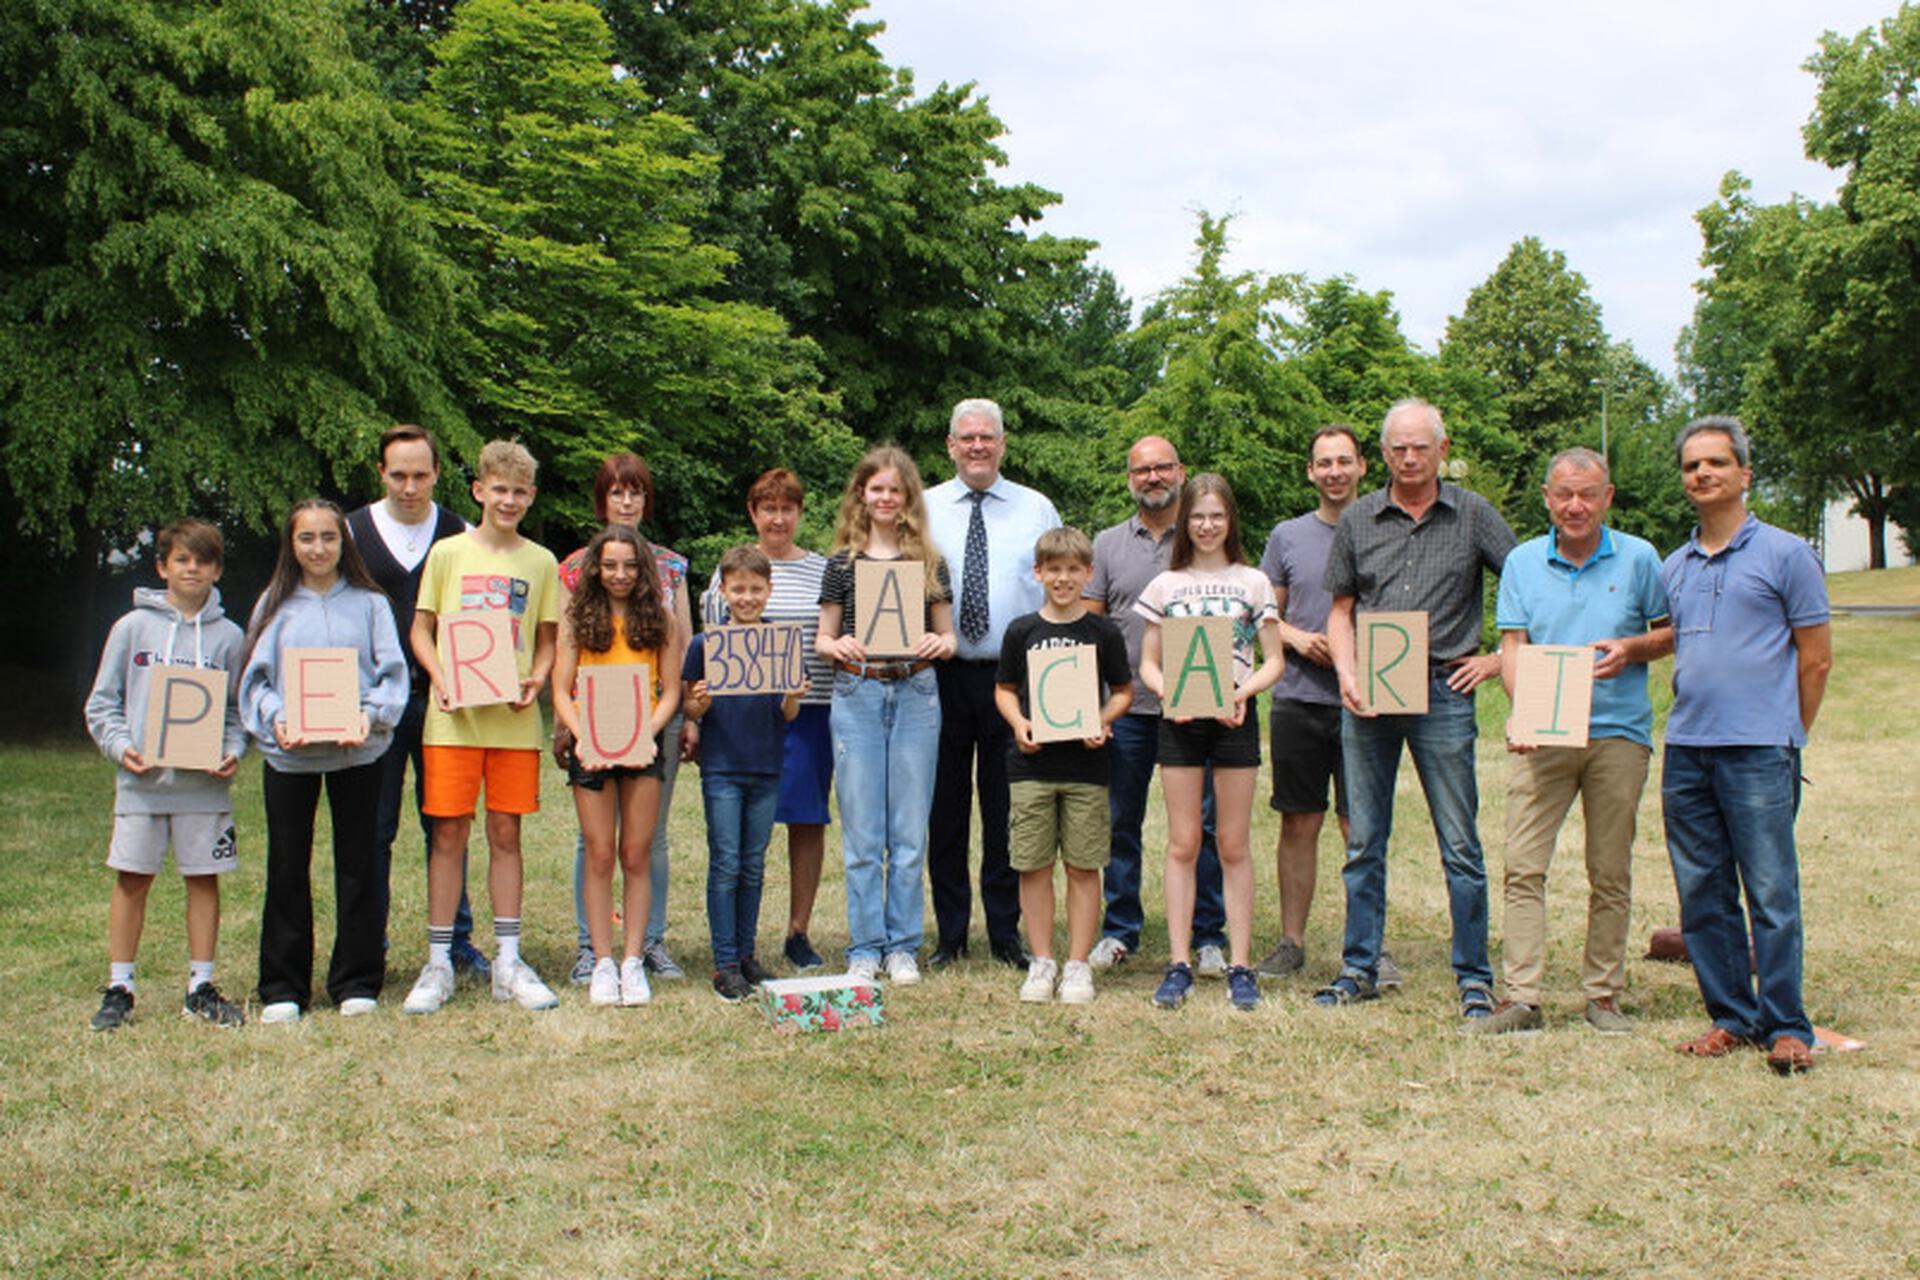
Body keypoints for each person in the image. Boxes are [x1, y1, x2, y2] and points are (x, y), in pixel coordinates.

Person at [1317, 398, 1516, 1020]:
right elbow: (1341, 609)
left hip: (1443, 694)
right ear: (1384, 454)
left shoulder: (1475, 514)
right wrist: (1347, 673)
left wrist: (1496, 660)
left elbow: (1527, 583)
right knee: (1364, 839)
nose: (1409, 457)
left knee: (1459, 841)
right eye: (1398, 448)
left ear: (1441, 449)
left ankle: (1474, 976)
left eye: (1420, 447)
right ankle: (1360, 966)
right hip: (1369, 693)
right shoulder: (1358, 521)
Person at [1478, 448, 1671, 1035]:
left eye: (1587, 494)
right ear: (1547, 498)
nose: (1575, 505)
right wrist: (1522, 712)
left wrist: (1630, 648)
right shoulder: (1521, 562)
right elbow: (1512, 646)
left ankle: (1603, 995)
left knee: (1608, 870)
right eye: (1563, 494)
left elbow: (1668, 634)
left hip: (1618, 733)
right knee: (1523, 866)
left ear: (1608, 496)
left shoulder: (1639, 558)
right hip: (1545, 733)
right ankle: (1522, 997)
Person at [1661, 417, 1830, 1075]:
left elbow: (1814, 660)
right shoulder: (1675, 566)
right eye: (1691, 466)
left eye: (1715, 463)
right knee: (1702, 892)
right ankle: (1731, 1016)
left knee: (1771, 892)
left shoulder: (1787, 555)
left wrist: (1790, 734)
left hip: (1759, 748)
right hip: (1688, 748)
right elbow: (1676, 641)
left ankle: (1787, 1025)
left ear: (1744, 474)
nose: (1702, 474)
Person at [402, 440, 562, 1015]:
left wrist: (539, 680)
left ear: (531, 496)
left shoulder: (540, 561)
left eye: (520, 492)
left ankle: (509, 960)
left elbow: (547, 640)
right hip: (453, 720)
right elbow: (422, 629)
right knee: (447, 836)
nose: (509, 500)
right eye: (500, 489)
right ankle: (439, 960)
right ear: (478, 491)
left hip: (513, 722)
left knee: (506, 835)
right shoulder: (448, 554)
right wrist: (440, 677)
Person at [240, 500, 409, 1022]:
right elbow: (254, 680)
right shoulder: (274, 603)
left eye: (328, 538)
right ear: (291, 545)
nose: (318, 548)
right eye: (307, 538)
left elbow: (392, 673)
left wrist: (371, 715)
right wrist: (276, 719)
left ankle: (357, 979)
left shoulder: (370, 604)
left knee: (359, 864)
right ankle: (284, 987)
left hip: (359, 754)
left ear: (344, 543)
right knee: (287, 866)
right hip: (290, 758)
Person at [84, 518, 247, 1031]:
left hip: (203, 787)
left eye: (202, 561)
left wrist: (233, 749)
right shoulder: (131, 629)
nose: (192, 569)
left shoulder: (229, 636)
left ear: (217, 569)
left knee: (203, 881)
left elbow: (236, 714)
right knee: (133, 878)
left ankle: (200, 986)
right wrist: (120, 748)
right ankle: (120, 986)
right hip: (142, 785)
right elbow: (102, 705)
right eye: (181, 560)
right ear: (162, 567)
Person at [1136, 475, 1285, 1011]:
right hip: (1178, 722)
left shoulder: (1254, 582)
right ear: (1185, 522)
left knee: (1233, 844)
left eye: (1216, 516)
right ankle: (1178, 963)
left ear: (1230, 520)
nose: (1206, 525)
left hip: (1234, 720)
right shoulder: (1165, 585)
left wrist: (1243, 692)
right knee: (1182, 843)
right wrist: (1167, 694)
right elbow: (1148, 664)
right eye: (1197, 517)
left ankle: (1240, 965)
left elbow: (1275, 660)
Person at [1086, 436, 1232, 976]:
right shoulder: (1106, 544)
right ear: (1130, 479)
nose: (1153, 477)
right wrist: (1091, 706)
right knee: (1121, 820)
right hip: (1127, 707)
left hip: (1199, 706)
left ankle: (1207, 932)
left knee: (1204, 824)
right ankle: (1121, 928)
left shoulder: (1204, 537)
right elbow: (1092, 625)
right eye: (1142, 470)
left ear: (1180, 471)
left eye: (1162, 467)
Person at [924, 398, 1062, 968]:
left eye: (988, 437)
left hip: (1015, 680)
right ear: (951, 445)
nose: (978, 446)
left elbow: (1060, 586)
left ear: (1003, 444)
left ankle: (1006, 934)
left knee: (1009, 811)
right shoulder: (923, 508)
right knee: (945, 811)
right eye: (967, 438)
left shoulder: (1036, 509)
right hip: (939, 678)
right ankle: (951, 935)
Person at [346, 425, 487, 979]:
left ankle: (454, 940)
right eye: (398, 475)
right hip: (374, 702)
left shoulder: (460, 532)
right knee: (373, 829)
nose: (410, 486)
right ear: (381, 473)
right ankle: (367, 942)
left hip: (445, 701)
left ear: (436, 474)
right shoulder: (352, 532)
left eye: (420, 475)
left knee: (447, 823)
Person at [816, 444, 958, 984]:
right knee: (861, 834)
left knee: (908, 831)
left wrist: (936, 643)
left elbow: (949, 638)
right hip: (858, 693)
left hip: (916, 692)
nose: (884, 498)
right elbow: (823, 639)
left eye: (894, 490)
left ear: (907, 499)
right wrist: (840, 646)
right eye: (876, 488)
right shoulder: (841, 565)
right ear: (861, 494)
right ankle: (864, 946)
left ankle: (902, 945)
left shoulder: (928, 562)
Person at [556, 453, 694, 984]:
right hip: (591, 729)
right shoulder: (574, 570)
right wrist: (571, 726)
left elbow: (680, 649)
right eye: (617, 492)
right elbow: (564, 673)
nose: (627, 501)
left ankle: (646, 944)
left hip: (651, 723)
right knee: (592, 845)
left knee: (645, 842)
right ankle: (593, 949)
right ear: (603, 499)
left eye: (635, 491)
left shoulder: (671, 570)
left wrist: (662, 724)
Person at [698, 468, 836, 971]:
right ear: (753, 513)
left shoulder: (822, 569)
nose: (778, 518)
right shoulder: (729, 573)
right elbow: (713, 648)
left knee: (806, 820)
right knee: (742, 837)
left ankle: (797, 931)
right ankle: (737, 946)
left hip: (809, 708)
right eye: (768, 508)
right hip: (744, 718)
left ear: (800, 513)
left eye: (787, 508)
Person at [993, 527, 1133, 1004]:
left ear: (1088, 573)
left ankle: (1076, 964)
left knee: (1082, 865)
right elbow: (1005, 689)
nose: (1063, 578)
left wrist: (1102, 718)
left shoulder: (1103, 632)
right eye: (1053, 569)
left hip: (1087, 769)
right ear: (1038, 573)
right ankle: (1041, 961)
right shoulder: (1021, 631)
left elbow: (1124, 692)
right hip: (1031, 768)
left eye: (1074, 569)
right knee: (1032, 866)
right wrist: (1019, 725)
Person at [1255, 425, 1366, 980]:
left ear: (1362, 467)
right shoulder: (1287, 536)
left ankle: (1366, 943)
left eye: (1344, 461)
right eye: (1324, 462)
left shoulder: (1381, 529)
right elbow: (1263, 615)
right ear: (1310, 472)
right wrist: (1299, 640)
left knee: (1359, 825)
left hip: (1364, 698)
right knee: (1299, 822)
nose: (1334, 472)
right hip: (1299, 697)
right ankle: (1292, 942)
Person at [685, 545, 807, 1001]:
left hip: (766, 764)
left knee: (753, 865)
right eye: (738, 589)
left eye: (756, 589)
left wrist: (793, 693)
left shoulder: (781, 642)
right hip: (721, 767)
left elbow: (790, 713)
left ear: (769, 591)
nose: (747, 597)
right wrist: (700, 702)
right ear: (723, 590)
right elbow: (690, 708)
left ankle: (747, 955)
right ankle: (724, 964)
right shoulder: (705, 644)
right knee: (726, 863)